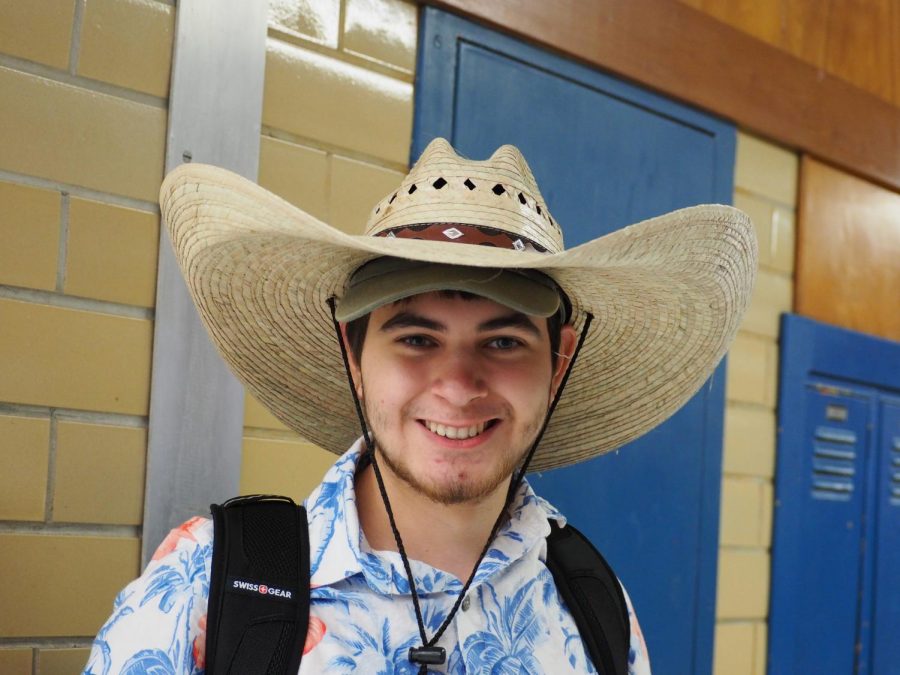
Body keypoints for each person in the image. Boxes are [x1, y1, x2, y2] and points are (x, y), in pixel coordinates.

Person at [85, 138, 756, 674]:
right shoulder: (206, 586)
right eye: (415, 338)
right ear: (353, 354)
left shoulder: (593, 607)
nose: (458, 384)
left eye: (503, 339)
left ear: (559, 361)